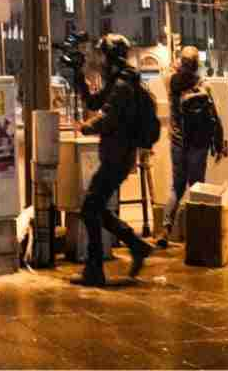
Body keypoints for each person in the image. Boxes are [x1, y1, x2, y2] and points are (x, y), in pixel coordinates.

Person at [73, 34, 154, 286]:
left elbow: (106, 117)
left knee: (89, 208)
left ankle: (95, 270)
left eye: (103, 55)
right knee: (95, 208)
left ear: (112, 56)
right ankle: (135, 245)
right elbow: (96, 102)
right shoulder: (119, 80)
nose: (101, 61)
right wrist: (77, 74)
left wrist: (85, 127)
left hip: (118, 157)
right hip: (116, 155)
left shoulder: (122, 85)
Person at [157, 46, 225, 248]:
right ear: (196, 65)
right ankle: (197, 234)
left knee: (176, 187)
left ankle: (165, 229)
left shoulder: (170, 82)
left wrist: (175, 65)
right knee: (197, 188)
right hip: (199, 143)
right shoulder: (203, 85)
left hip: (178, 141)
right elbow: (215, 116)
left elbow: (166, 70)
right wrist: (219, 143)